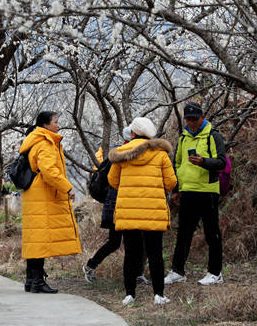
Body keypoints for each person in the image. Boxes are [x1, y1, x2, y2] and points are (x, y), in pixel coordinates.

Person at [107, 117, 177, 305]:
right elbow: (171, 182)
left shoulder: (122, 154)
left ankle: (129, 294)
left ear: (132, 133)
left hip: (128, 212)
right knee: (155, 253)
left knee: (131, 253)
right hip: (153, 211)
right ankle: (159, 295)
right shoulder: (160, 154)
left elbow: (113, 181)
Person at [18, 111, 82, 294]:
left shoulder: (35, 140)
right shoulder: (45, 143)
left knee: (35, 239)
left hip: (34, 195)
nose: (58, 125)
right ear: (46, 125)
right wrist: (67, 187)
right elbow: (49, 171)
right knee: (41, 239)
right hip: (43, 196)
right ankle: (37, 282)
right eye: (55, 122)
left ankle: (31, 280)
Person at [165, 102, 228, 286]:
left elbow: (221, 162)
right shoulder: (184, 138)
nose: (191, 123)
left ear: (202, 117)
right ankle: (177, 271)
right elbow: (177, 164)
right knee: (184, 233)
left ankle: (215, 273)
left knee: (211, 233)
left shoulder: (212, 136)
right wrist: (176, 190)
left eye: (194, 119)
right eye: (188, 119)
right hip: (187, 191)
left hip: (207, 191)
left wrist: (203, 162)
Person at [83, 126, 133, 283]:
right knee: (119, 241)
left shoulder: (120, 153)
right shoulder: (122, 155)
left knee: (117, 242)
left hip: (118, 204)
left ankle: (91, 265)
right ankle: (91, 265)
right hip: (118, 204)